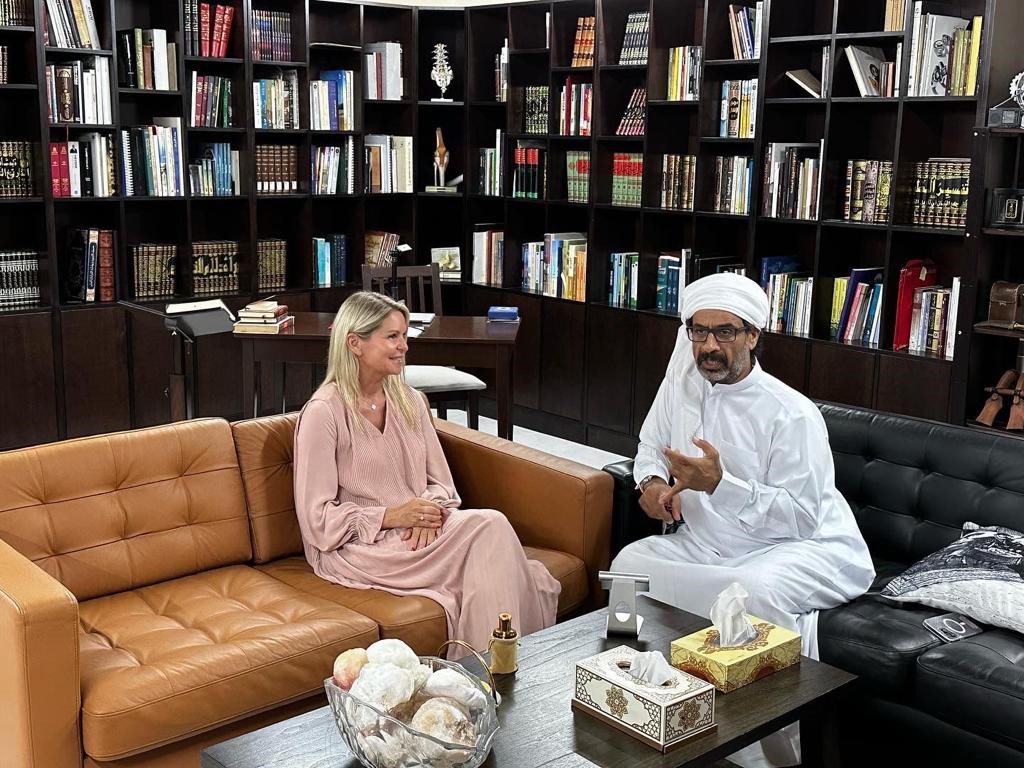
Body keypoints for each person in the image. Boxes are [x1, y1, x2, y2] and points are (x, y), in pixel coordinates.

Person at [610, 272, 875, 767]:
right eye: (699, 331)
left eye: (725, 332)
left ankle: (763, 756)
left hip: (801, 547)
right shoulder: (681, 387)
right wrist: (650, 485)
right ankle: (636, 701)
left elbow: (802, 518)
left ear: (753, 336)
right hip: (709, 543)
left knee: (748, 592)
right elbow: (649, 446)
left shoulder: (791, 413)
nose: (709, 346)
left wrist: (720, 485)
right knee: (628, 566)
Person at [293, 291, 560, 657]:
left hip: (418, 531)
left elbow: (442, 485)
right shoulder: (323, 413)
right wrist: (393, 516)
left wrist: (427, 513)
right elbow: (317, 521)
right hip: (358, 547)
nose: (404, 346)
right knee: (492, 530)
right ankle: (496, 671)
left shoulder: (411, 400)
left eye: (404, 335)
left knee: (492, 532)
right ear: (355, 343)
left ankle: (486, 672)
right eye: (392, 337)